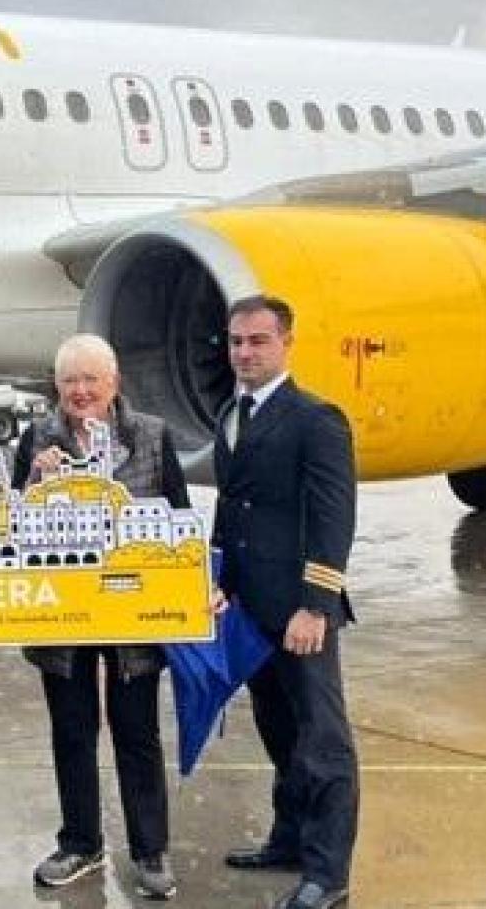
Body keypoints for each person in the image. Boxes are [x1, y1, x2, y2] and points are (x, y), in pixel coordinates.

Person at [12, 334, 187, 901]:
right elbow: (12, 523)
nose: (81, 391)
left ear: (114, 383)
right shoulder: (38, 437)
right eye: (69, 382)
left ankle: (150, 849)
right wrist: (36, 480)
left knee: (137, 732)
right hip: (63, 615)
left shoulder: (152, 438)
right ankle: (81, 842)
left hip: (132, 612)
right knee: (72, 730)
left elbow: (180, 523)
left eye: (91, 379)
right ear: (56, 388)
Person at [212, 295, 359, 909]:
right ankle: (290, 839)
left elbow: (334, 518)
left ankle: (327, 874)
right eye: (237, 342)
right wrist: (218, 574)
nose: (245, 352)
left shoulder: (315, 417)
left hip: (299, 612)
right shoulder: (231, 412)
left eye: (258, 341)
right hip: (249, 607)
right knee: (278, 732)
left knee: (322, 741)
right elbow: (232, 503)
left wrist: (316, 606)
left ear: (286, 343)